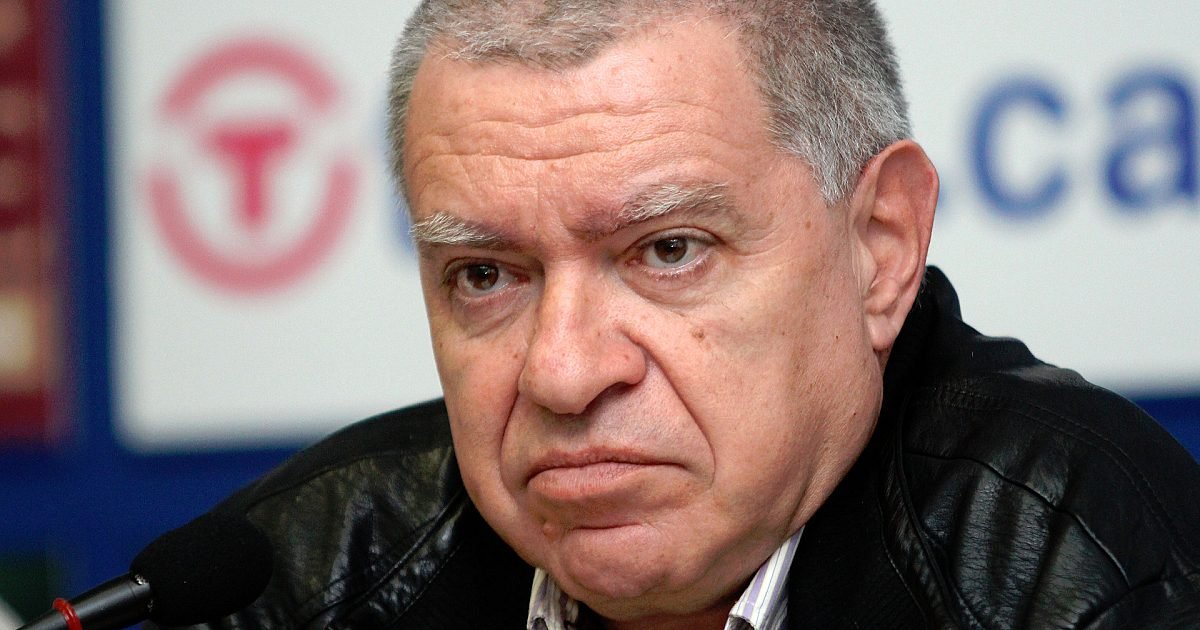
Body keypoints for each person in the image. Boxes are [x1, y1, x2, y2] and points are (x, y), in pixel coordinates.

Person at [183, 1, 1200, 628]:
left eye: (667, 251)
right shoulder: (303, 577)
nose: (563, 373)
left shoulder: (1087, 567)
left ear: (880, 246)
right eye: (486, 275)